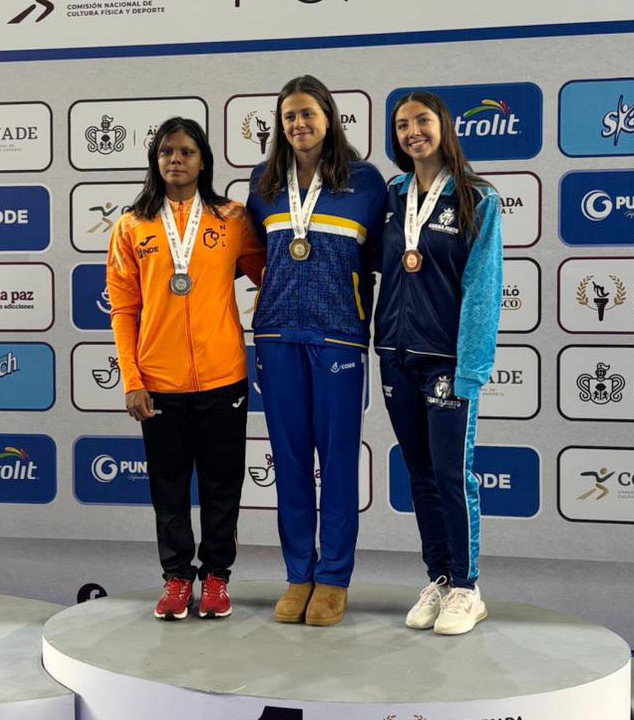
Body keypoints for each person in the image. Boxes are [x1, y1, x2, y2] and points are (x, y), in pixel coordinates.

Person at [106, 117, 265, 621]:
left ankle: (216, 577)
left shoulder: (232, 218)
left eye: (187, 152)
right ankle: (176, 579)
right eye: (166, 151)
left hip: (224, 378)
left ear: (203, 161)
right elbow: (123, 309)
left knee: (223, 486)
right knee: (168, 489)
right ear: (155, 160)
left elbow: (268, 274)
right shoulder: (132, 225)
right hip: (159, 383)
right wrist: (132, 380)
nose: (176, 159)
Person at [247, 75, 387, 627]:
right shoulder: (263, 183)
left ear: (328, 117)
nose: (299, 124)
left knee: (338, 463)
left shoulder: (365, 181)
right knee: (289, 463)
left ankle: (333, 579)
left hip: (339, 336)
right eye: (289, 116)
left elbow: (379, 258)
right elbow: (256, 256)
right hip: (277, 335)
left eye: (308, 113)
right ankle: (298, 574)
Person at [374, 91, 502, 635]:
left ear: (443, 127)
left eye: (422, 121)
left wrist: (472, 366)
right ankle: (440, 579)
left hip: (448, 360)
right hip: (396, 355)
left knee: (451, 474)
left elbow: (483, 288)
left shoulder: (477, 198)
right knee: (420, 474)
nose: (412, 132)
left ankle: (468, 588)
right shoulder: (392, 194)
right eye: (402, 124)